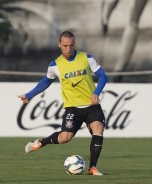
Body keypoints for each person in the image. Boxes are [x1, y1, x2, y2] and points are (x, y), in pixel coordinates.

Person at [18, 31, 108, 176]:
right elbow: (46, 81)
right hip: (72, 108)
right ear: (59, 45)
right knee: (64, 138)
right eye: (65, 45)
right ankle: (42, 142)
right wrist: (29, 95)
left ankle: (92, 167)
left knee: (98, 129)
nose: (68, 48)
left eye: (71, 45)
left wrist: (96, 92)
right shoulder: (55, 65)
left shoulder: (86, 57)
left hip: (92, 105)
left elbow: (103, 76)